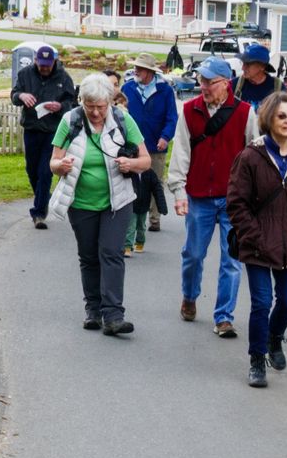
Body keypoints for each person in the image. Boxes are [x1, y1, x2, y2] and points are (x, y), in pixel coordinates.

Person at [48, 74, 154, 336]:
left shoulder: (122, 119)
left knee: (112, 253)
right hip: (81, 202)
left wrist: (131, 164)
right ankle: (93, 310)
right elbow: (53, 162)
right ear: (81, 101)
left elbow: (146, 161)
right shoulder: (70, 120)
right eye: (90, 106)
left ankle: (114, 315)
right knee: (88, 256)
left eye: (101, 106)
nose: (95, 112)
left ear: (110, 102)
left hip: (117, 202)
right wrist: (60, 167)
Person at [227, 93, 287, 388]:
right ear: (269, 119)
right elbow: (237, 202)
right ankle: (257, 359)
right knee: (261, 302)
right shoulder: (251, 157)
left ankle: (275, 337)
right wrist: (251, 235)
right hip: (257, 243)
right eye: (282, 116)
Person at [167, 56, 260, 337]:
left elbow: (255, 154)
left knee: (231, 260)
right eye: (201, 81)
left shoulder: (245, 113)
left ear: (225, 83)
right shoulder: (189, 110)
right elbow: (181, 151)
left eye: (209, 81)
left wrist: (253, 196)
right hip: (199, 196)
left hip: (234, 199)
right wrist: (179, 191)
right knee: (193, 255)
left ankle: (224, 317)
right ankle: (190, 295)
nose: (203, 86)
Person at [11, 45, 77, 230]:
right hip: (32, 128)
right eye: (42, 65)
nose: (45, 68)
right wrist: (21, 96)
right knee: (31, 170)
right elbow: (13, 96)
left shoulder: (64, 78)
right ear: (36, 61)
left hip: (53, 131)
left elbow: (72, 102)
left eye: (48, 65)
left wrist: (60, 107)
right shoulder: (25, 74)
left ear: (54, 62)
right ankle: (44, 198)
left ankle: (39, 213)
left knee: (45, 171)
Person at [121, 53, 178, 249]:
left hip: (155, 145)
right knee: (131, 182)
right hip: (131, 147)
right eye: (135, 67)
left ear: (150, 72)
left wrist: (165, 136)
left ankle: (154, 219)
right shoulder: (128, 88)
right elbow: (119, 113)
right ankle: (130, 218)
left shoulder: (165, 90)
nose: (136, 71)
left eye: (140, 68)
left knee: (155, 182)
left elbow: (172, 117)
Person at [233, 43, 276, 109]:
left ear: (262, 66)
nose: (243, 68)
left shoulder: (277, 88)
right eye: (243, 63)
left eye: (248, 64)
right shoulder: (234, 85)